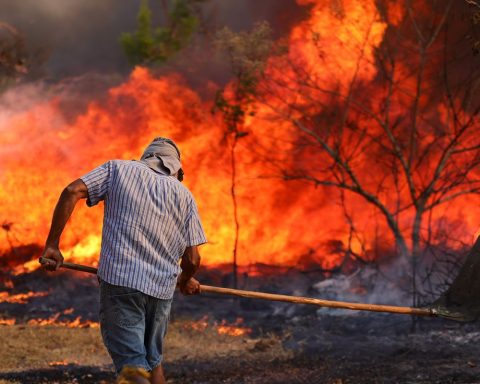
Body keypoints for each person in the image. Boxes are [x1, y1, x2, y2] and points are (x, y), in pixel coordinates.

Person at [41, 137, 207, 384]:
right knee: (153, 364)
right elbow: (193, 258)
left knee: (133, 368)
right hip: (161, 292)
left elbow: (72, 191)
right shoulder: (185, 196)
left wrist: (53, 245)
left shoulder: (118, 169)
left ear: (146, 157)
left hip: (122, 283)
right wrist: (185, 279)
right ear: (176, 168)